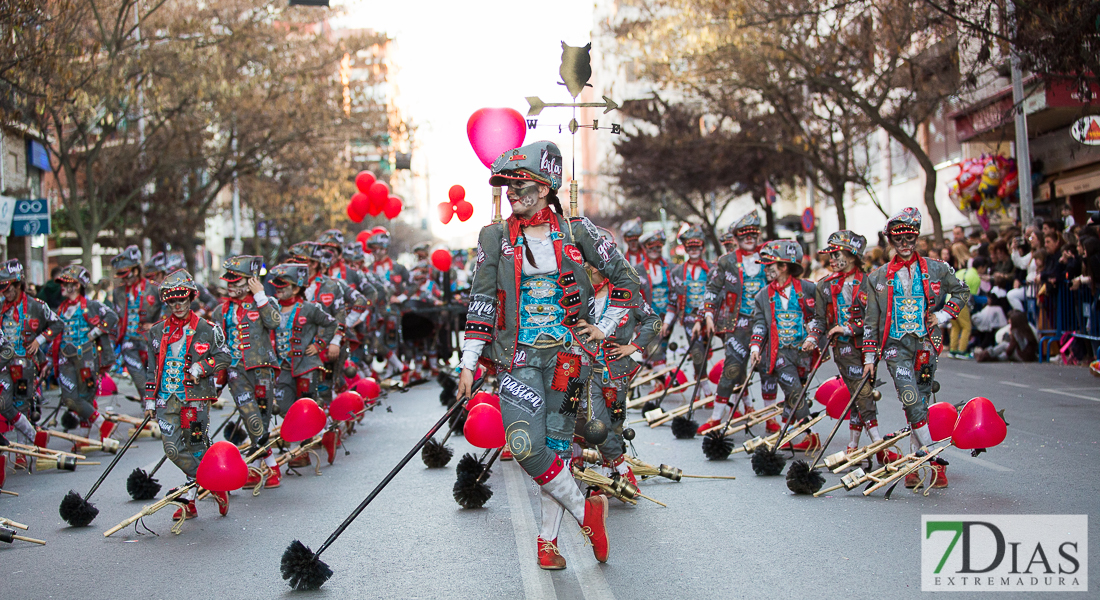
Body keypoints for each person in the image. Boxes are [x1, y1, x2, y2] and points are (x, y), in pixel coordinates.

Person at [456, 141, 641, 570]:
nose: (511, 193)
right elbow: (481, 300)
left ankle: (547, 541)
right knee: (524, 445)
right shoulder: (494, 236)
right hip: (517, 357)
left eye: (519, 184)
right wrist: (468, 361)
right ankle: (586, 514)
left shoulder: (578, 231)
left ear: (544, 187)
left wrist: (604, 326)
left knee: (557, 451)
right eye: (507, 186)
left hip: (569, 360)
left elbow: (625, 283)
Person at [858, 207, 970, 488]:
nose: (905, 244)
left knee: (919, 403)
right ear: (890, 242)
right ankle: (933, 460)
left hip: (925, 344)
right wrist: (870, 357)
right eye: (898, 239)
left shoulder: (937, 268)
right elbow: (871, 320)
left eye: (910, 238)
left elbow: (962, 291)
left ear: (917, 238)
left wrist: (942, 315)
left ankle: (912, 462)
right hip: (896, 347)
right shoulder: (877, 278)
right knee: (910, 398)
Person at [142, 270, 231, 520]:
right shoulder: (157, 331)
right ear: (167, 303)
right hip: (165, 399)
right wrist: (149, 399)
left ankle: (189, 499)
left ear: (191, 298)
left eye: (182, 299)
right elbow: (152, 367)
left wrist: (201, 367)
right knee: (172, 449)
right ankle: (213, 484)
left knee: (196, 446)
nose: (178, 305)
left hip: (195, 399)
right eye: (172, 301)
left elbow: (225, 356)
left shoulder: (207, 328)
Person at [579, 256, 661, 487]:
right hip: (585, 368)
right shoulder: (580, 294)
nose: (589, 268)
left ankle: (610, 473)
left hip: (615, 370)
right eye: (587, 263)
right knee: (595, 420)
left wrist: (633, 347)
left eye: (591, 264)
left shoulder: (625, 294)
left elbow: (653, 321)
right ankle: (621, 467)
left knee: (615, 422)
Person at [697, 211, 773, 432]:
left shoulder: (769, 257)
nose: (749, 238)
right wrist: (708, 315)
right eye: (744, 234)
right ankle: (716, 417)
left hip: (767, 324)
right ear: (736, 237)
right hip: (737, 324)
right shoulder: (727, 261)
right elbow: (712, 289)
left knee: (768, 369)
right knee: (732, 368)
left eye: (753, 233)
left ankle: (770, 417)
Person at [808, 231, 880, 454]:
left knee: (860, 392)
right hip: (844, 346)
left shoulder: (870, 282)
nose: (831, 259)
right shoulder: (824, 286)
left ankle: (853, 445)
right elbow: (820, 320)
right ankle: (877, 441)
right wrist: (812, 337)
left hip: (869, 345)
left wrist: (850, 327)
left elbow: (875, 318)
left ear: (851, 256)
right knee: (862, 389)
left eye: (836, 253)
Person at [215, 256, 284, 486]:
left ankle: (254, 468)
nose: (230, 285)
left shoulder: (265, 302)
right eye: (229, 281)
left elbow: (275, 323)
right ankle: (273, 467)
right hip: (236, 371)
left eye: (236, 281)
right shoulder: (221, 310)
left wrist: (260, 294)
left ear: (251, 281)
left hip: (262, 369)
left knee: (262, 419)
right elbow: (218, 346)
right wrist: (217, 380)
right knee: (250, 415)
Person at [748, 240, 820, 452]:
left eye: (770, 265)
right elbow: (760, 323)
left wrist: (814, 337)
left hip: (804, 351)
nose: (766, 270)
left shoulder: (808, 289)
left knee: (794, 395)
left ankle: (790, 435)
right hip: (779, 353)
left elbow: (819, 316)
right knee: (794, 389)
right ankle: (808, 433)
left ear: (784, 266)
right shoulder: (763, 295)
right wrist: (755, 347)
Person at [267, 263, 338, 469]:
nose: (278, 290)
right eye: (276, 287)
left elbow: (332, 323)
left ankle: (301, 451)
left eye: (283, 286)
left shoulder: (310, 308)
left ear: (296, 288)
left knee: (307, 406)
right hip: (282, 366)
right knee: (284, 407)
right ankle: (323, 434)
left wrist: (320, 344)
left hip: (306, 365)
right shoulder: (271, 309)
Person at [53, 265, 120, 447]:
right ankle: (102, 424)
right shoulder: (61, 308)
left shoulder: (92, 305)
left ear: (78, 286)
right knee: (70, 397)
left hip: (87, 357)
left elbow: (113, 317)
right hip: (65, 358)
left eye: (67, 283)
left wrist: (94, 333)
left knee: (85, 397)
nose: (63, 286)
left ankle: (83, 438)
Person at [0, 259, 63, 446]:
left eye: (7, 287)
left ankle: (22, 452)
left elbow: (58, 323)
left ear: (19, 284)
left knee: (22, 404)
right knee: (3, 404)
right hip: (3, 363)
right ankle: (34, 436)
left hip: (26, 362)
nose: (4, 292)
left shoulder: (37, 305)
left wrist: (39, 340)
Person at [112, 245, 162, 396]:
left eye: (127, 275)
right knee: (139, 378)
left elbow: (170, 310)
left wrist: (156, 325)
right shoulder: (118, 293)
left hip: (151, 340)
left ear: (136, 270)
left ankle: (157, 404)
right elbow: (117, 318)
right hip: (128, 341)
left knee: (155, 377)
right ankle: (147, 403)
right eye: (122, 276)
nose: (126, 279)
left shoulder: (154, 288)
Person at [666, 226, 713, 380]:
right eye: (690, 247)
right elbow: (673, 301)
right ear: (685, 249)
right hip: (689, 319)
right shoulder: (677, 272)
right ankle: (703, 387)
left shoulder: (712, 269)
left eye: (697, 246)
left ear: (703, 248)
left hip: (710, 318)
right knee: (697, 353)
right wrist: (667, 322)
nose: (693, 250)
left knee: (710, 353)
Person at [638, 229, 671, 364]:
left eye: (658, 247)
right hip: (648, 319)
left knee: (668, 352)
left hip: (669, 317)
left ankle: (662, 380)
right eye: (651, 247)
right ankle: (659, 382)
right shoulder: (637, 269)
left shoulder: (671, 266)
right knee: (654, 354)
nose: (654, 250)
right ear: (645, 248)